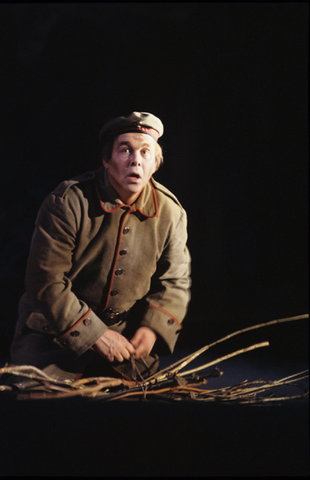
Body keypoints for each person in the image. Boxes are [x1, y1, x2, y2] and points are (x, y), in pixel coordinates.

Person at [4, 111, 191, 386]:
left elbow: (175, 281)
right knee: (39, 409)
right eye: (125, 150)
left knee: (148, 411)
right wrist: (94, 335)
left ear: (155, 164)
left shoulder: (171, 213)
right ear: (106, 160)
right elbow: (45, 281)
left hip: (124, 345)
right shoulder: (67, 202)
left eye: (145, 152)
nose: (135, 159)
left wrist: (151, 329)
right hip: (53, 337)